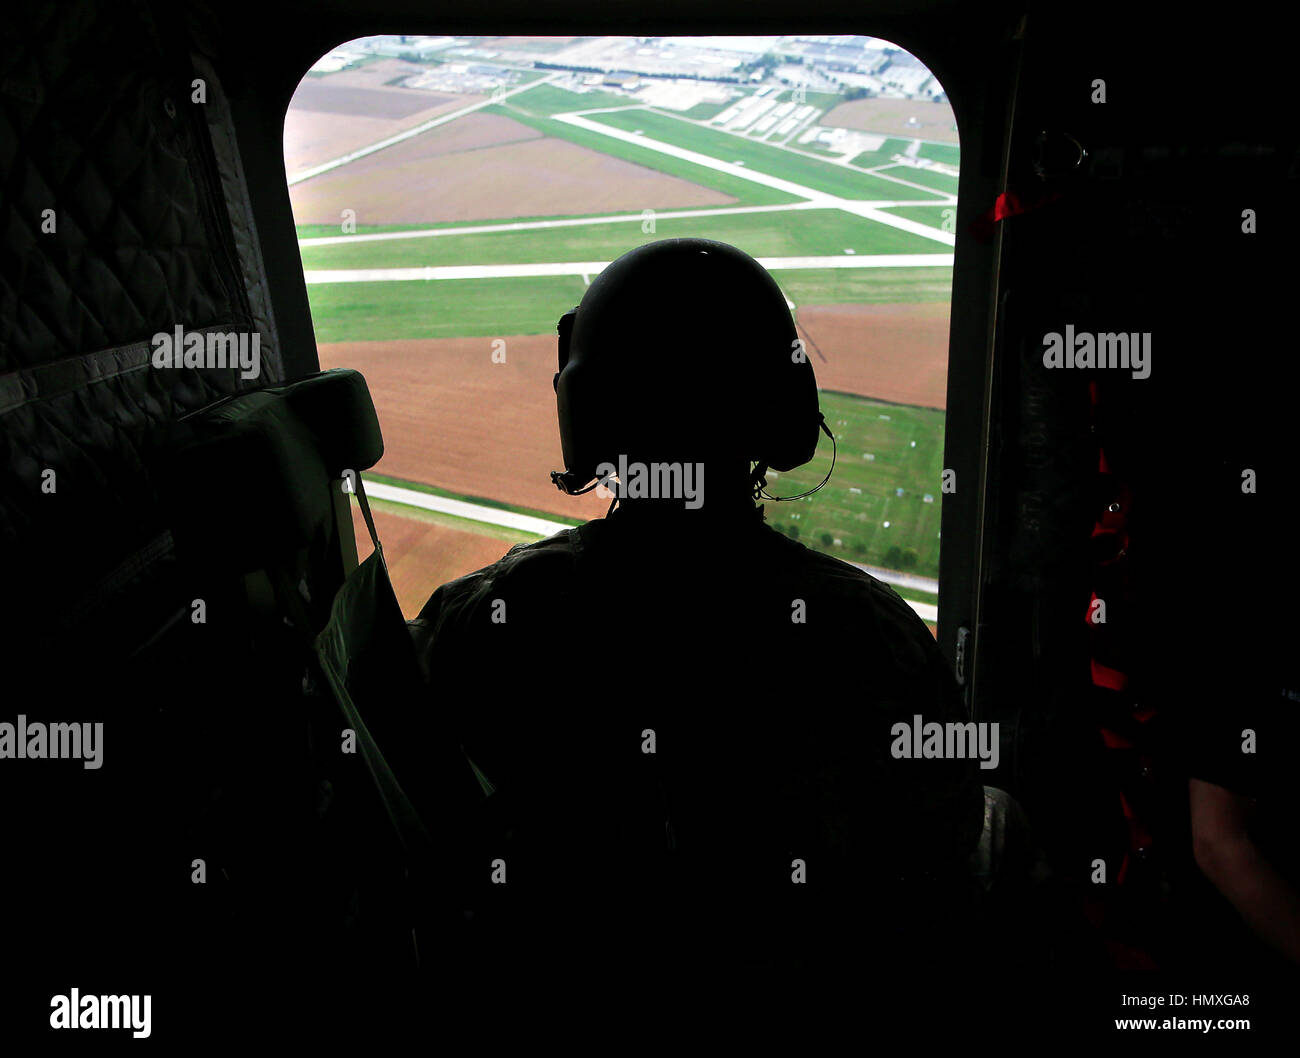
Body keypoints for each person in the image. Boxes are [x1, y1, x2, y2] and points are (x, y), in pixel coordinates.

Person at [409, 239, 987, 980]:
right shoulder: (874, 636)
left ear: (587, 411)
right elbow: (942, 858)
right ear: (782, 409)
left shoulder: (487, 620)